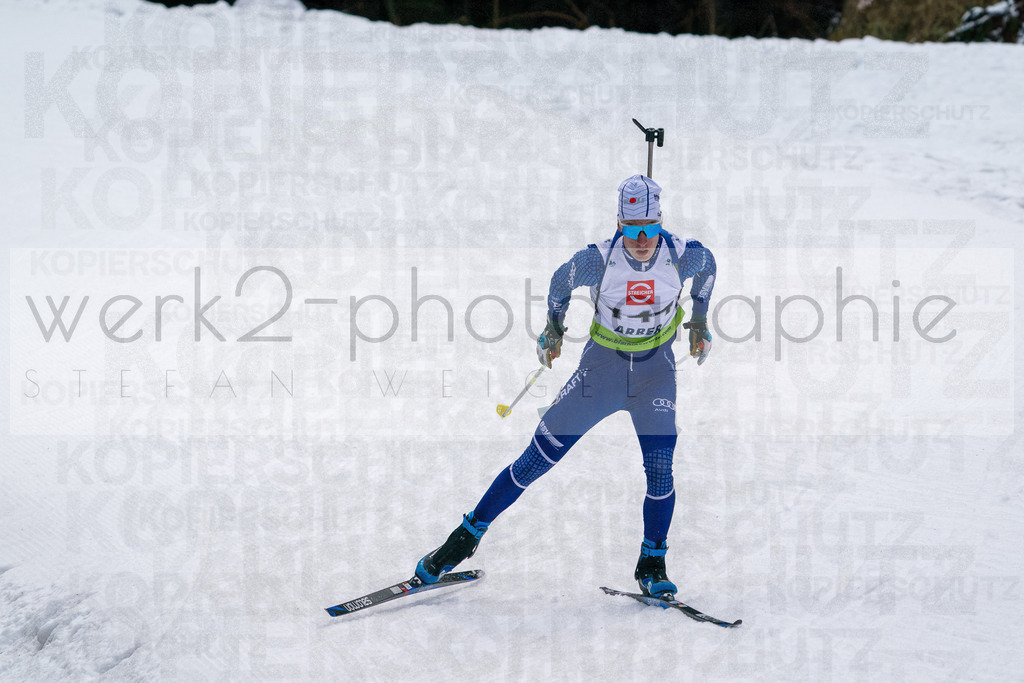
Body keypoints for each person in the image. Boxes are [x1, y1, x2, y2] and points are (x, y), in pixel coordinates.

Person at [415, 174, 717, 597]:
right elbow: (560, 281)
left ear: (660, 222)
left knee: (661, 467)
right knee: (538, 458)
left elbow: (709, 268)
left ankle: (653, 561)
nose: (643, 239)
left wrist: (699, 320)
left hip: (655, 374)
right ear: (618, 225)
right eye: (633, 231)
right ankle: (463, 539)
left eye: (650, 229)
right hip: (601, 372)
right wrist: (553, 329)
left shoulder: (682, 255)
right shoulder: (598, 260)